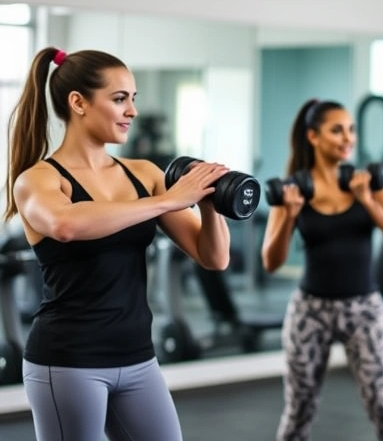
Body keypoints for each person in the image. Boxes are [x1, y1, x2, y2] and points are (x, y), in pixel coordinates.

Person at [3, 47, 233, 441]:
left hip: (139, 358)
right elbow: (65, 225)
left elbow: (214, 258)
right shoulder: (38, 180)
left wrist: (212, 204)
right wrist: (169, 199)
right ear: (78, 102)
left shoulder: (144, 174)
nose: (133, 111)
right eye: (119, 99)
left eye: (134, 99)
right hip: (69, 362)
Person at [261, 98, 383, 441]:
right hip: (310, 309)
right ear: (313, 137)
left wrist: (368, 201)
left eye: (351, 129)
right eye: (337, 130)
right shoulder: (293, 189)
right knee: (299, 412)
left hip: (364, 308)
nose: (348, 138)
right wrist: (288, 215)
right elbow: (271, 262)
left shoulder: (368, 182)